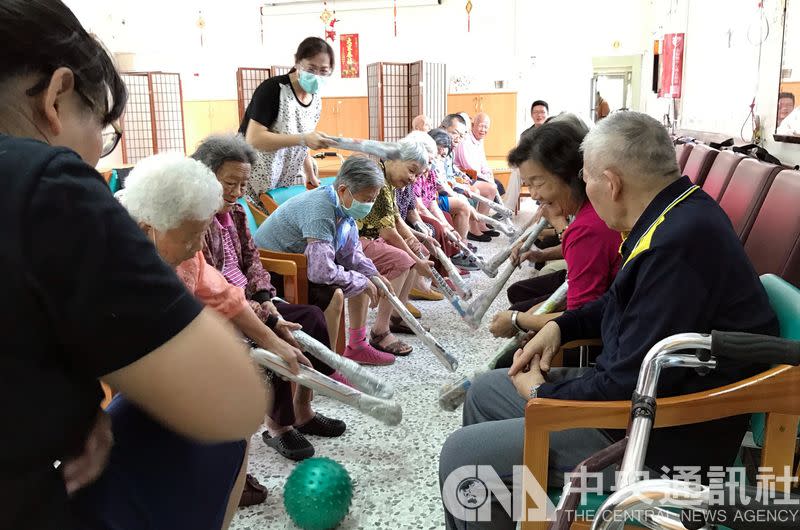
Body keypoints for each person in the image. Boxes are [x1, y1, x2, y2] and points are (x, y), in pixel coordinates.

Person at [439, 111, 778, 530]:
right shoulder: (673, 214)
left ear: (612, 182)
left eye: (587, 178)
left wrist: (545, 392)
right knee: (487, 391)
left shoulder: (677, 246)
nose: (585, 190)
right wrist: (561, 326)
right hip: (636, 403)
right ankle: (523, 514)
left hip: (657, 436)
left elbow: (625, 384)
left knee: (463, 460)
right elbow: (617, 303)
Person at [0, 2, 269, 529]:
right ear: (56, 96)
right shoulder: (42, 180)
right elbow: (232, 399)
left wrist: (81, 410)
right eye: (104, 127)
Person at [191, 134, 347, 462]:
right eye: (229, 183)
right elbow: (211, 287)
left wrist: (264, 296)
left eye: (242, 184)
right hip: (222, 312)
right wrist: (264, 314)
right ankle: (277, 427)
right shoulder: (195, 223)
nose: (236, 192)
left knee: (313, 319)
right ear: (205, 178)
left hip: (253, 300)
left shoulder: (234, 214)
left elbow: (253, 259)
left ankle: (304, 411)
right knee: (274, 339)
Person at [255, 157, 402, 365]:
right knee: (336, 293)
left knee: (361, 278)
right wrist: (361, 280)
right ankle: (330, 365)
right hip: (274, 271)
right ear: (343, 190)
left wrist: (373, 275)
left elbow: (352, 254)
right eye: (367, 199)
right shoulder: (321, 209)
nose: (369, 205)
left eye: (373, 199)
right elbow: (321, 272)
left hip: (303, 263)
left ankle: (357, 346)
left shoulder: (343, 208)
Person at [489, 116, 621, 338]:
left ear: (568, 173)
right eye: (528, 185)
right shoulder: (594, 210)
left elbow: (579, 319)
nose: (533, 195)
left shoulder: (588, 227)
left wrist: (520, 320)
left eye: (537, 183)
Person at [357, 139, 437, 350]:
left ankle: (397, 315)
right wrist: (417, 259)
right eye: (411, 170)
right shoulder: (378, 178)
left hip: (372, 238)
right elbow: (388, 231)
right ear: (394, 158)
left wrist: (419, 239)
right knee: (403, 259)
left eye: (417, 175)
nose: (412, 179)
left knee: (413, 252)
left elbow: (397, 220)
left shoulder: (387, 180)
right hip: (354, 240)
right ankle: (379, 331)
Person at [239, 37, 336, 200]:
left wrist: (310, 172)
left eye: (324, 71)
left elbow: (302, 140)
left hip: (282, 182)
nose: (317, 76)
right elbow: (254, 139)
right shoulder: (273, 89)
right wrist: (305, 138)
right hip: (251, 178)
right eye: (311, 69)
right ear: (297, 62)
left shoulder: (315, 99)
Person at [443, 113, 499, 242]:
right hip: (468, 174)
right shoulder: (460, 142)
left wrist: (488, 173)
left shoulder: (476, 141)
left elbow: (483, 162)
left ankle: (480, 224)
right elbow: (468, 166)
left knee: (492, 187)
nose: (483, 130)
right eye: (481, 126)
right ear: (473, 125)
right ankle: (473, 229)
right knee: (480, 189)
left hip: (462, 177)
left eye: (486, 127)